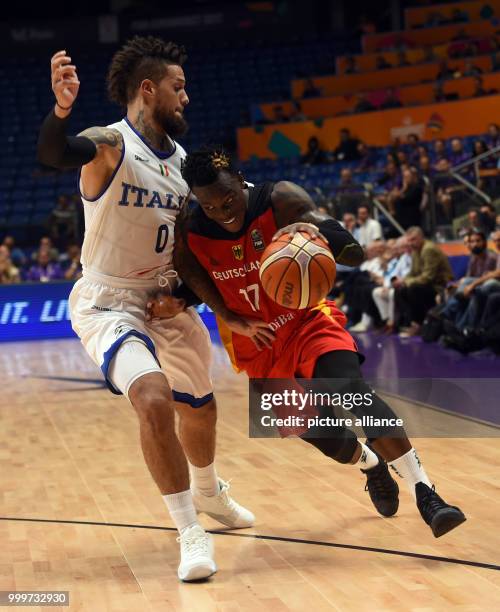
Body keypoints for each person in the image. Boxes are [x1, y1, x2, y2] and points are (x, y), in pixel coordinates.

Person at [150, 147, 466, 538]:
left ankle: (426, 492)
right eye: (210, 205)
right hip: (259, 345)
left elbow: (354, 251)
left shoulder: (280, 200)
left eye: (228, 198)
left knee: (351, 391)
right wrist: (209, 309)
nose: (222, 211)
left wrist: (318, 234)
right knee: (325, 438)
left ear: (239, 178)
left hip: (307, 323)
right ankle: (370, 464)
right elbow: (193, 276)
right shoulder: (193, 230)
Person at [36, 39, 254, 582]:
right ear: (148, 90)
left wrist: (182, 296)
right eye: (178, 88)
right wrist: (62, 111)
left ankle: (210, 495)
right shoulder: (111, 143)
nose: (186, 97)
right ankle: (189, 531)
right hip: (109, 301)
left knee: (200, 410)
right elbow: (55, 153)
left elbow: (230, 219)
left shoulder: (185, 167)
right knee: (153, 397)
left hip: (165, 301)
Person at [394, 227, 453, 337]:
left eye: (414, 239)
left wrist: (407, 281)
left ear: (421, 237)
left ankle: (419, 325)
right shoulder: (416, 250)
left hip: (439, 285)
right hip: (427, 285)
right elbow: (413, 272)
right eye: (409, 240)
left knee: (414, 289)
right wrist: (402, 281)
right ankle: (409, 323)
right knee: (401, 289)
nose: (411, 243)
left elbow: (428, 277)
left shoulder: (428, 249)